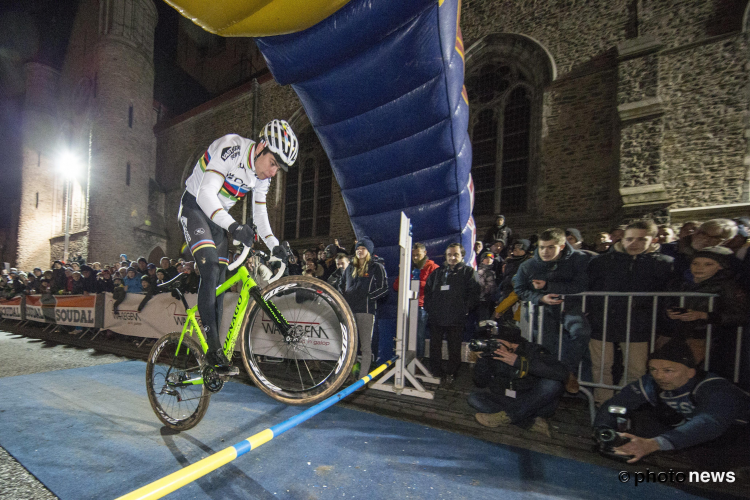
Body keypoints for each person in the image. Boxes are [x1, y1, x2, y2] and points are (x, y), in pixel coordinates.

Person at [178, 119, 298, 375]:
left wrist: (274, 244)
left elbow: (261, 214)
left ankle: (216, 351)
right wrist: (234, 227)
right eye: (273, 163)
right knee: (210, 266)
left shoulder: (260, 176)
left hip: (218, 221)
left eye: (279, 168)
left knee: (220, 281)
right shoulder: (230, 147)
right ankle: (212, 350)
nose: (274, 172)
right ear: (262, 146)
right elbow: (205, 194)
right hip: (194, 208)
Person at [594, 338, 750, 468]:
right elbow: (617, 404)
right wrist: (604, 429)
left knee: (708, 460)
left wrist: (654, 444)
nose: (659, 376)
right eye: (653, 369)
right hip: (702, 431)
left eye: (668, 371)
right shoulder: (650, 382)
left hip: (737, 432)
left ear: (690, 372)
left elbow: (710, 422)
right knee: (642, 420)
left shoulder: (714, 387)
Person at [587, 220, 674, 405]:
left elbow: (667, 297)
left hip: (639, 324)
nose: (633, 244)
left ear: (653, 239)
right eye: (629, 239)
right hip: (603, 321)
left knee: (635, 368)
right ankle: (603, 403)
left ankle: (624, 403)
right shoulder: (602, 262)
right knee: (601, 366)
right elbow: (591, 289)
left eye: (641, 239)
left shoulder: (663, 264)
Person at [512, 228, 591, 393]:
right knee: (548, 349)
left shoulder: (578, 260)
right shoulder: (528, 265)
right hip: (541, 313)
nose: (545, 251)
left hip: (569, 308)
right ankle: (549, 389)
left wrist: (549, 286)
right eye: (541, 247)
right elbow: (519, 289)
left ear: (562, 246)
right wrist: (540, 298)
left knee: (581, 332)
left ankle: (568, 372)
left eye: (550, 247)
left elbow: (581, 285)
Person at [471, 325, 568, 437]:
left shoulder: (533, 350)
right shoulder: (493, 354)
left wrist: (518, 362)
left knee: (553, 384)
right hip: (510, 399)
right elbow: (480, 383)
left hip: (535, 403)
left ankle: (509, 417)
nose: (494, 347)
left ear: (512, 344)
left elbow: (561, 373)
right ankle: (527, 422)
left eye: (497, 344)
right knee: (474, 397)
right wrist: (482, 360)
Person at [424, 243, 481, 386]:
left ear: (462, 256)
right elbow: (428, 292)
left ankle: (452, 372)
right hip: (437, 317)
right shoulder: (437, 272)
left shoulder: (468, 272)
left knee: (454, 347)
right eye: (449, 255)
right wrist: (430, 308)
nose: (452, 257)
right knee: (434, 347)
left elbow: (474, 293)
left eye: (456, 254)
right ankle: (436, 372)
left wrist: (464, 309)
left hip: (456, 318)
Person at [340, 237, 388, 380]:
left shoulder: (376, 267)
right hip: (349, 311)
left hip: (366, 312)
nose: (360, 251)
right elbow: (341, 285)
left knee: (365, 347)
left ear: (369, 251)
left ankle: (362, 379)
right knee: (350, 346)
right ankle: (350, 375)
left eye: (363, 249)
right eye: (358, 249)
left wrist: (369, 298)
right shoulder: (350, 268)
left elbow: (384, 288)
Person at [393, 242, 439, 359]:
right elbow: (396, 286)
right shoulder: (408, 267)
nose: (415, 258)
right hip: (406, 306)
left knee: (418, 335)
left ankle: (419, 360)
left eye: (418, 255)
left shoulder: (433, 268)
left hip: (421, 306)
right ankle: (404, 360)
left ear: (425, 253)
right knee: (404, 335)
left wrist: (415, 284)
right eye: (413, 255)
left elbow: (433, 286)